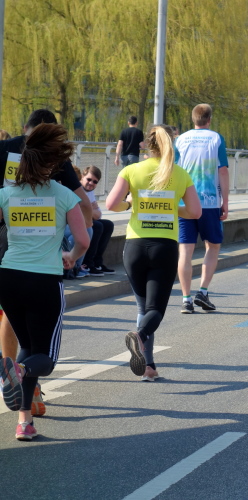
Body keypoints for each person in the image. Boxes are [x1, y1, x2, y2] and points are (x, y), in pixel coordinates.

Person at [0, 123, 90, 440]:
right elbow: (83, 240)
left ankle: (24, 420)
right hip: (45, 281)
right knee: (46, 360)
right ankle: (18, 371)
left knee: (27, 346)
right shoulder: (64, 195)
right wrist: (71, 256)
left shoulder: (5, 194)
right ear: (51, 163)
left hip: (9, 279)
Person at [106, 125, 201, 381]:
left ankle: (148, 366)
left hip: (134, 247)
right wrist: (171, 208)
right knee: (155, 310)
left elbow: (111, 204)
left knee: (143, 308)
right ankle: (139, 336)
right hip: (164, 247)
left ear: (146, 145)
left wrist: (130, 203)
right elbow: (195, 212)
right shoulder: (179, 173)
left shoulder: (131, 170)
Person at [175, 104, 229, 314]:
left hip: (184, 202)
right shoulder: (216, 139)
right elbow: (222, 172)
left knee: (185, 251)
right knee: (213, 246)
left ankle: (186, 299)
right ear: (209, 119)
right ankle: (203, 292)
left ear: (193, 119)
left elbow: (174, 170)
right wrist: (225, 202)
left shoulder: (181, 139)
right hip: (209, 201)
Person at [80, 166, 115, 276]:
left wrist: (89, 210)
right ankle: (87, 263)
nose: (91, 183)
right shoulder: (78, 190)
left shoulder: (90, 192)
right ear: (82, 176)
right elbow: (81, 212)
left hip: (87, 220)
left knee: (108, 224)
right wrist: (91, 209)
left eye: (95, 182)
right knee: (97, 226)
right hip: (74, 222)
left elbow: (98, 214)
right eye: (89, 179)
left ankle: (97, 262)